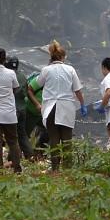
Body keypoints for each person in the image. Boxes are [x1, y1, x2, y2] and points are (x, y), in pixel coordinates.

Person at [39, 40, 83, 171]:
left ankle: (55, 169)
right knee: (67, 140)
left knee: (54, 139)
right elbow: (78, 90)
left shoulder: (46, 70)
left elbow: (35, 84)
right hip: (66, 108)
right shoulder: (70, 69)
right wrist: (83, 104)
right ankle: (68, 168)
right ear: (63, 57)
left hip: (50, 108)